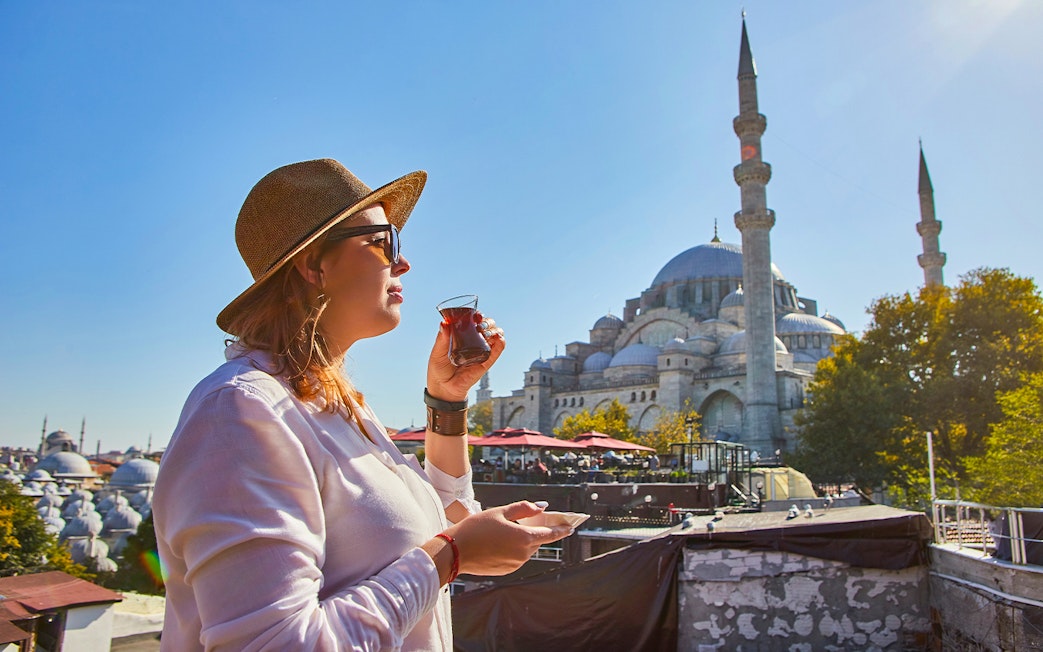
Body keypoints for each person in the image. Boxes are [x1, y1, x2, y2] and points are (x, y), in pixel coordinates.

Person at [152, 159, 573, 651]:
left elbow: (444, 521)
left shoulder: (331, 404)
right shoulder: (240, 412)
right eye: (383, 241)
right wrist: (451, 557)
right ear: (313, 264)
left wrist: (447, 398)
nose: (403, 262)